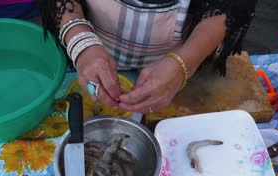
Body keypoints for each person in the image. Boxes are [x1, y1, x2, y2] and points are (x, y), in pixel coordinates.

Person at [37, 0, 257, 114]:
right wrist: (81, 44)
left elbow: (232, 5)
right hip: (88, 55)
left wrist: (184, 63)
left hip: (186, 66)